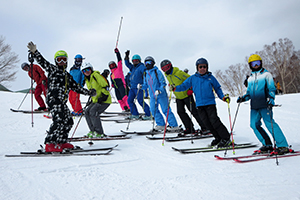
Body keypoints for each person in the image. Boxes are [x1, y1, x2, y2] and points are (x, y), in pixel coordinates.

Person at [27, 41, 95, 152]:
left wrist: (89, 93)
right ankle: (50, 143)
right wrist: (35, 52)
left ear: (67, 61)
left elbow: (76, 87)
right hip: (54, 100)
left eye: (64, 59)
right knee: (58, 121)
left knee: (68, 120)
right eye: (59, 60)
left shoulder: (67, 76)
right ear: (55, 61)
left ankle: (61, 141)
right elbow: (42, 62)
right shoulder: (53, 69)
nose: (62, 62)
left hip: (61, 102)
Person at [170, 58, 231, 148]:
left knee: (214, 121)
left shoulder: (211, 78)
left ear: (207, 67)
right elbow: (184, 86)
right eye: (200, 67)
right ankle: (218, 138)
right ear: (197, 68)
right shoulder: (193, 78)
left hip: (210, 103)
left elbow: (217, 88)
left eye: (204, 67)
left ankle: (226, 138)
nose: (202, 68)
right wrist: (175, 88)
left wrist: (223, 97)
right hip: (199, 104)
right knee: (206, 123)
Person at [237, 54, 290, 155]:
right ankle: (267, 144)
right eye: (253, 63)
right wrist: (243, 98)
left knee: (270, 124)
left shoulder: (266, 75)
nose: (256, 65)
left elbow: (271, 88)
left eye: (258, 63)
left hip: (265, 104)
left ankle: (283, 145)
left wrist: (271, 98)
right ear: (250, 65)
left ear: (261, 63)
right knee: (254, 125)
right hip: (254, 106)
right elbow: (249, 93)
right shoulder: (250, 78)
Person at [160, 59, 208, 135]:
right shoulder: (167, 75)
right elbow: (174, 82)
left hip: (187, 95)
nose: (166, 70)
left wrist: (191, 89)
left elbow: (192, 80)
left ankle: (205, 127)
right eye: (164, 69)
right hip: (178, 96)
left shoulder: (179, 73)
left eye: (167, 67)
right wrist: (171, 85)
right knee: (180, 112)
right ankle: (189, 128)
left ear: (171, 66)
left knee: (194, 111)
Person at [142, 56, 179, 131]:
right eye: (146, 63)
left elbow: (163, 83)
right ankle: (160, 124)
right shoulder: (146, 74)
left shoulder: (157, 72)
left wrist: (159, 90)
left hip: (161, 95)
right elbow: (146, 85)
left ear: (153, 63)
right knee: (153, 110)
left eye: (150, 62)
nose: (148, 64)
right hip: (152, 96)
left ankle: (174, 125)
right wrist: (141, 86)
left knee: (165, 110)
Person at [82, 63, 111, 138]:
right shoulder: (87, 79)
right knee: (86, 112)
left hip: (104, 100)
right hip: (96, 100)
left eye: (88, 69)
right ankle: (93, 131)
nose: (86, 72)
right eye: (84, 71)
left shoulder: (95, 75)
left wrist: (104, 96)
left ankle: (99, 132)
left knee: (93, 112)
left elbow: (105, 86)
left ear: (91, 69)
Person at [124, 50, 151, 120]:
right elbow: (127, 64)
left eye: (136, 60)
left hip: (139, 87)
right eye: (133, 61)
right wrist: (126, 57)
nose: (135, 62)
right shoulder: (132, 67)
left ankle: (149, 114)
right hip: (132, 87)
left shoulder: (142, 67)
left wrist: (144, 84)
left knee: (140, 101)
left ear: (139, 61)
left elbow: (146, 75)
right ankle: (135, 114)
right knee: (129, 100)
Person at [108, 48, 130, 112]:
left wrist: (117, 53)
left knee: (124, 97)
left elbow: (119, 60)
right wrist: (112, 84)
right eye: (111, 65)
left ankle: (129, 107)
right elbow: (111, 80)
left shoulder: (119, 69)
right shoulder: (111, 74)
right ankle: (124, 108)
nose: (112, 66)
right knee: (119, 98)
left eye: (113, 65)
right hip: (116, 87)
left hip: (121, 85)